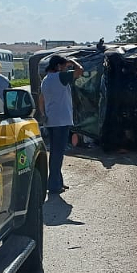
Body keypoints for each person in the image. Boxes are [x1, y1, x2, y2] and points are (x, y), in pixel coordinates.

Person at [39, 55, 84, 195]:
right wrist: (73, 62)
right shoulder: (61, 77)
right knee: (58, 154)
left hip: (51, 120)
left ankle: (57, 181)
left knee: (55, 152)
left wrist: (43, 114)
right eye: (64, 66)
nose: (67, 68)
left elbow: (41, 99)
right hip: (62, 120)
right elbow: (80, 70)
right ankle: (53, 185)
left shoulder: (45, 80)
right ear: (58, 66)